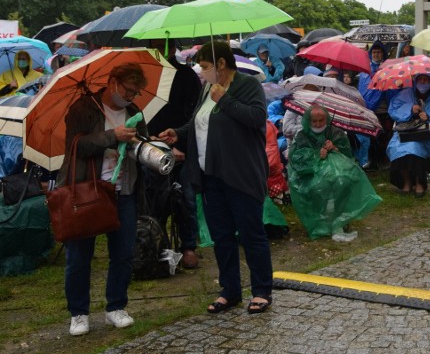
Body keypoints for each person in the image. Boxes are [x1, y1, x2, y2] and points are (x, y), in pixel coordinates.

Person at [157, 41, 273, 315]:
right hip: (210, 175)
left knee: (251, 233)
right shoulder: (207, 89)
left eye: (206, 67)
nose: (202, 72)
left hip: (240, 174)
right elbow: (200, 121)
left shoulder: (247, 85)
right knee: (221, 236)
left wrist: (226, 100)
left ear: (221, 64)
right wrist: (179, 132)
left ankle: (261, 290)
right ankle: (230, 290)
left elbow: (256, 118)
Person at [59, 63, 148, 336]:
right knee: (79, 256)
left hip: (124, 191)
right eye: (128, 90)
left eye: (135, 92)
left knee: (123, 253)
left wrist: (149, 144)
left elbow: (140, 144)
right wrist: (112, 136)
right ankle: (79, 313)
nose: (131, 97)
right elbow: (76, 146)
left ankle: (116, 306)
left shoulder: (134, 113)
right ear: (113, 82)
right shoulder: (83, 108)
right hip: (89, 190)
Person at [145, 40, 202, 269]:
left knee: (185, 198)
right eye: (156, 45)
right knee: (152, 199)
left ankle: (188, 246)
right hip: (151, 146)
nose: (161, 49)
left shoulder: (186, 75)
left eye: (164, 44)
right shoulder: (146, 74)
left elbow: (195, 114)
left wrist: (182, 142)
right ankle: (156, 243)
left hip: (181, 147)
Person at [287, 104, 382, 240]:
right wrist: (315, 155)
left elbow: (347, 154)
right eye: (315, 121)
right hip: (310, 175)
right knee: (318, 187)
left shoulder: (335, 132)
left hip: (337, 170)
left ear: (327, 119)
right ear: (309, 121)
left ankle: (340, 219)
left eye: (321, 120)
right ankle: (321, 221)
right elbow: (296, 159)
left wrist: (335, 148)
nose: (318, 124)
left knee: (342, 182)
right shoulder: (302, 136)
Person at [387, 74, 430, 197]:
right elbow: (393, 111)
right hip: (405, 131)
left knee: (415, 147)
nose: (422, 82)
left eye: (426, 79)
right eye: (420, 79)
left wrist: (429, 116)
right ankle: (406, 181)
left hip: (427, 135)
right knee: (396, 147)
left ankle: (420, 183)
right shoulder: (404, 94)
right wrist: (409, 109)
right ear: (415, 81)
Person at [358, 41, 393, 168]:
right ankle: (372, 160)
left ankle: (384, 160)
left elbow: (393, 88)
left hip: (385, 110)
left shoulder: (389, 69)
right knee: (371, 136)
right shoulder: (365, 70)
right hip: (370, 110)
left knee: (385, 137)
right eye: (374, 52)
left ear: (383, 53)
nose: (376, 54)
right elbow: (363, 90)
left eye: (378, 52)